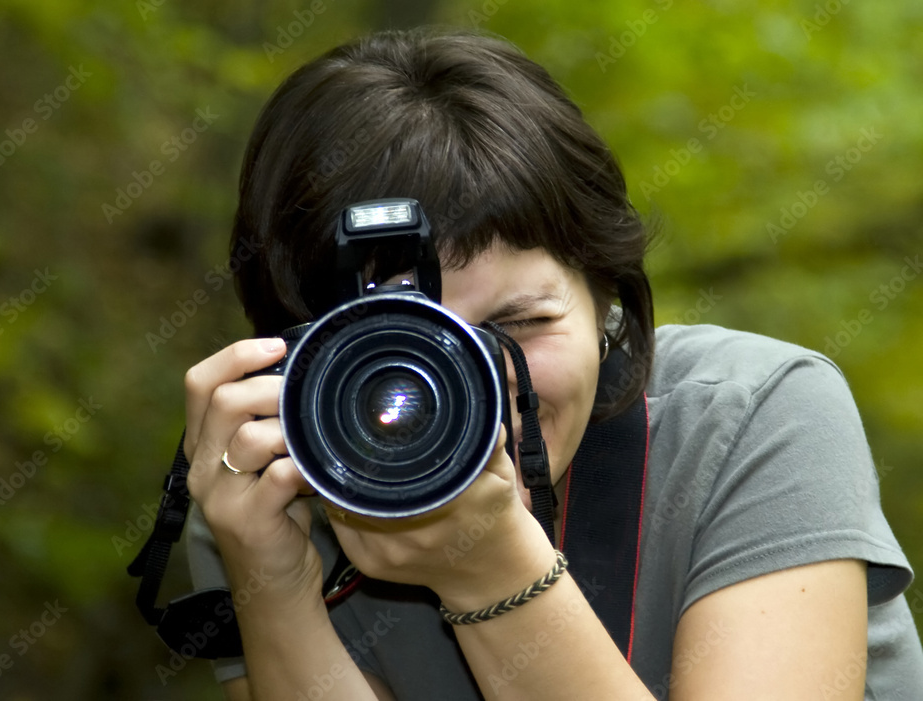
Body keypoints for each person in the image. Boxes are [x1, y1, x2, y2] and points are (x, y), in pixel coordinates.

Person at [182, 27, 923, 700]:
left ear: (605, 293)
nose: (470, 379)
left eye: (517, 325)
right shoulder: (264, 481)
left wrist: (490, 570)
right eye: (398, 343)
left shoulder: (757, 420)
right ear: (295, 348)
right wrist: (272, 587)